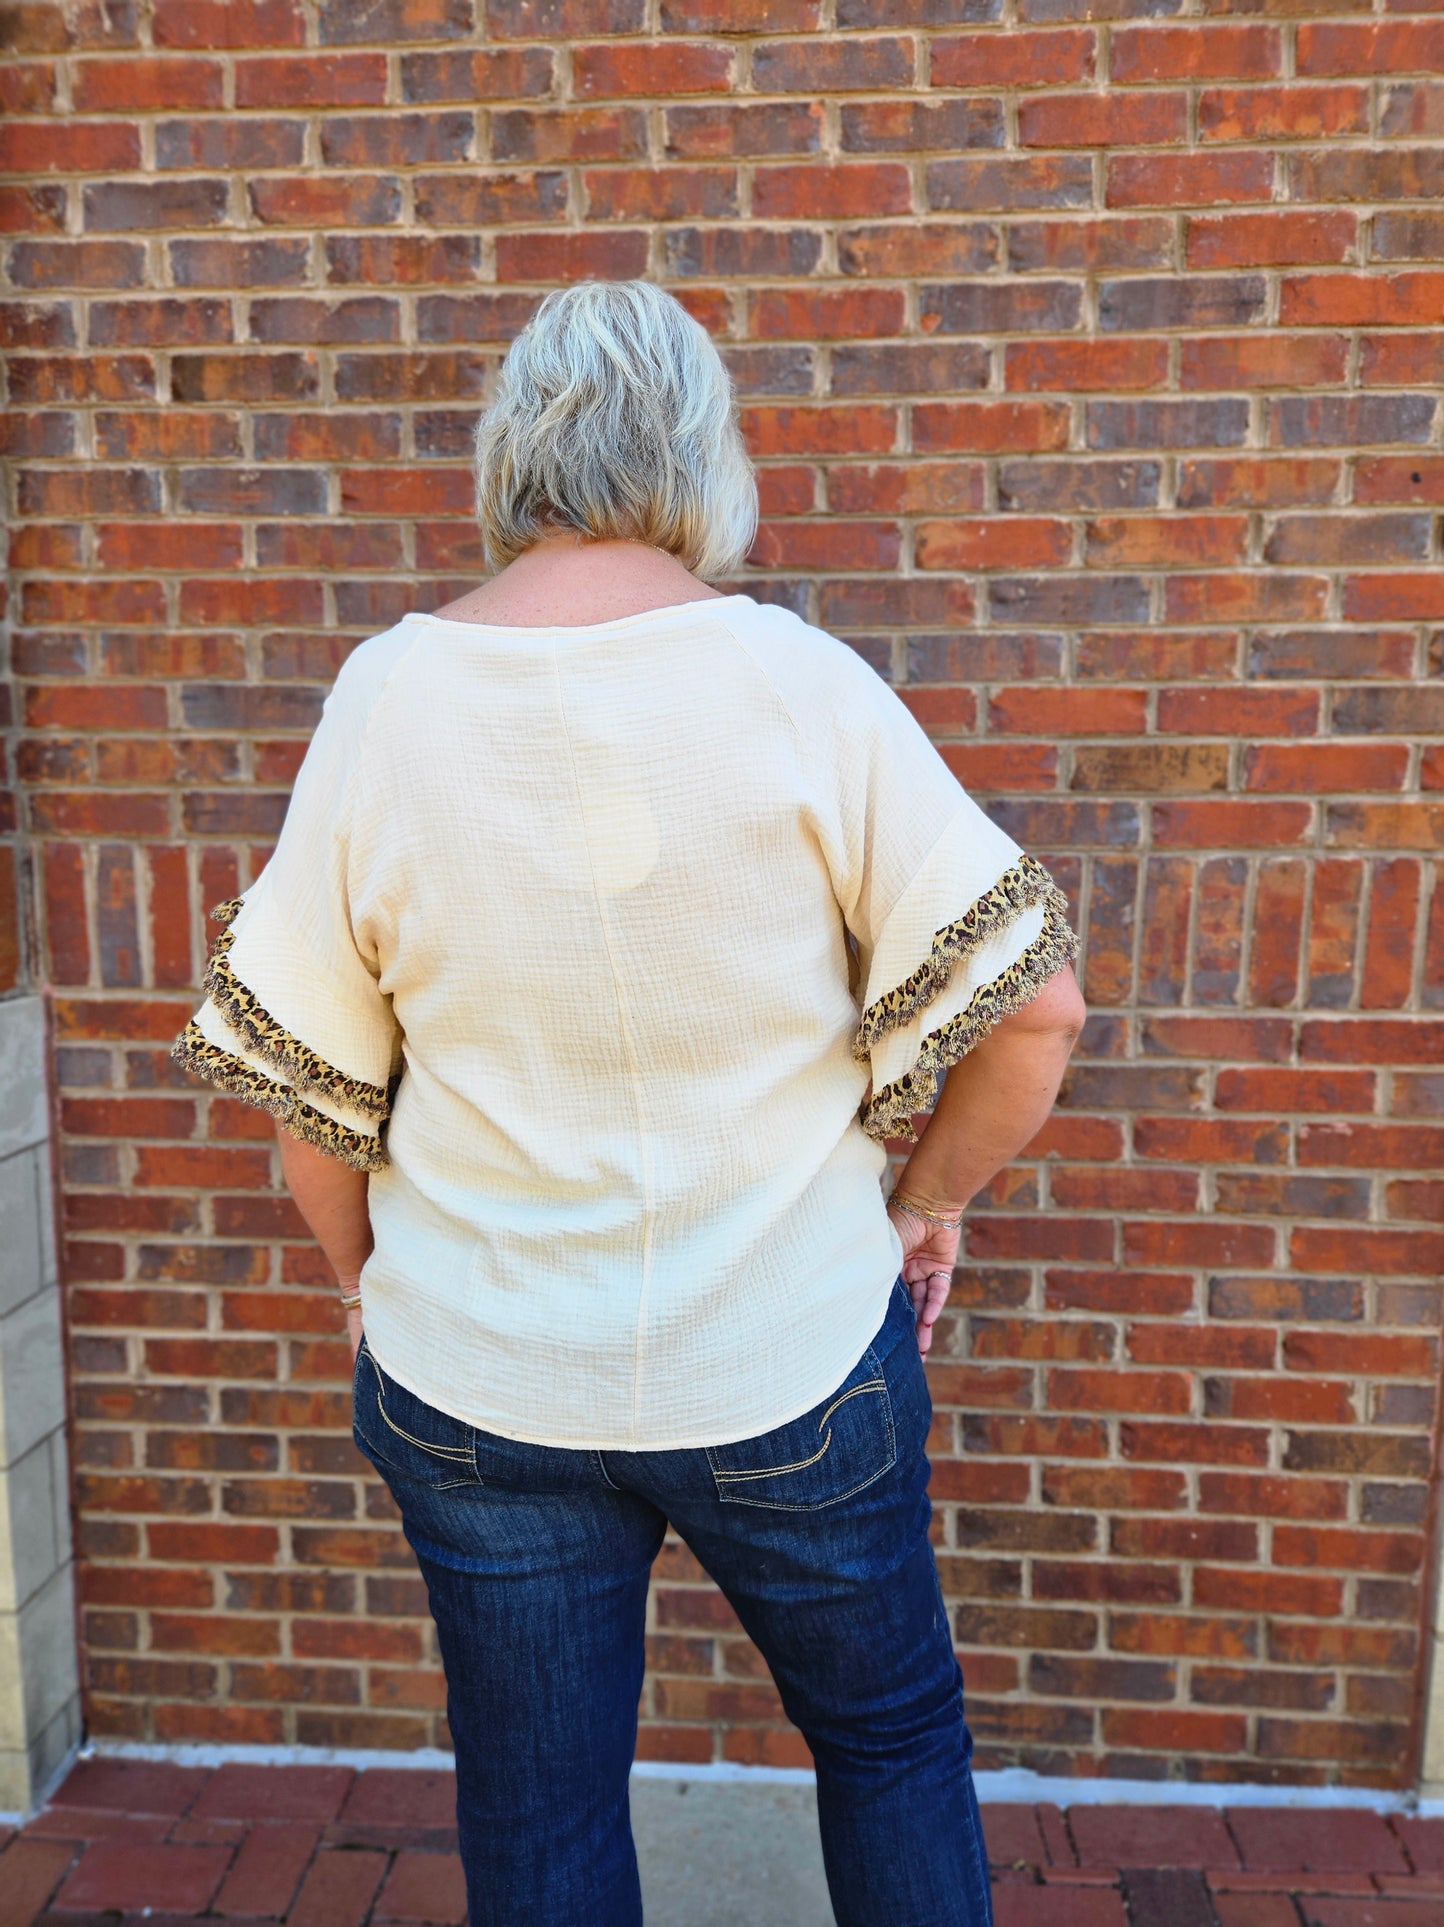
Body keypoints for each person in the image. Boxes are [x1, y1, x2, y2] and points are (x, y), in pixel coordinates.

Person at [173, 278, 1084, 1927]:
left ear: (509, 451)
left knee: (538, 1803)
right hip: (791, 1349)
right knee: (889, 1743)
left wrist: (365, 1286)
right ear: (702, 455)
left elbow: (308, 1097)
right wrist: (927, 1205)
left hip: (481, 1372)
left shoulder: (387, 697)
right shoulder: (795, 681)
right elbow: (1037, 1011)